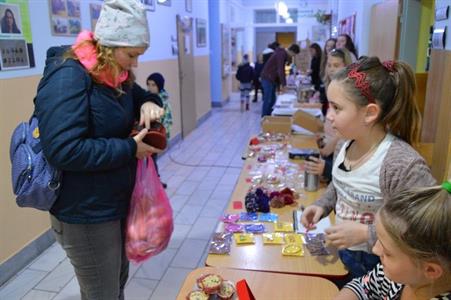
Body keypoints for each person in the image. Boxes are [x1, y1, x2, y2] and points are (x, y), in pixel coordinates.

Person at [35, 0, 164, 298]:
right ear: (109, 45)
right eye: (131, 55)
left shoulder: (115, 75)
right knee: (102, 293)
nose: (135, 64)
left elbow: (143, 96)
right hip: (85, 211)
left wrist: (149, 102)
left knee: (115, 284)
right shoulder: (69, 76)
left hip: (112, 202)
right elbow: (64, 149)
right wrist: (129, 149)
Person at [301, 57, 436, 282]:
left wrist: (367, 234)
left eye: (336, 108)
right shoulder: (346, 142)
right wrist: (322, 205)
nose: (329, 115)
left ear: (369, 113)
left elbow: (423, 225)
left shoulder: (401, 164)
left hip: (381, 271)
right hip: (345, 257)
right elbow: (341, 182)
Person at [333, 184, 451, 300]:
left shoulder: (399, 273)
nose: (375, 249)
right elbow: (362, 287)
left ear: (430, 270)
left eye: (388, 253)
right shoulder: (397, 275)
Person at [305, 48, 353, 183]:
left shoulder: (346, 91)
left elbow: (345, 128)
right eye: (329, 65)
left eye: (336, 65)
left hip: (337, 147)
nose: (331, 69)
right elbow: (330, 117)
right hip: (329, 141)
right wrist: (323, 136)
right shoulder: (332, 86)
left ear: (346, 66)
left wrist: (330, 146)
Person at [147, 72, 173, 188]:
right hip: (147, 134)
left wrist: (162, 137)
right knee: (149, 160)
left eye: (153, 85)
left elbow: (167, 120)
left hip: (156, 135)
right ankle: (153, 182)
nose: (150, 88)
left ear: (160, 86)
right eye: (148, 84)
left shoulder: (164, 101)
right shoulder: (146, 98)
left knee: (152, 159)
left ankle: (155, 182)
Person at [260, 43, 300, 117]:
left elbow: (279, 71)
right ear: (292, 51)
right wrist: (284, 85)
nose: (293, 56)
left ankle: (269, 116)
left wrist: (281, 85)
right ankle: (264, 117)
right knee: (268, 99)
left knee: (272, 100)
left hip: (271, 79)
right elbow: (280, 70)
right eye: (293, 55)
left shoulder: (282, 53)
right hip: (267, 78)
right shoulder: (282, 54)